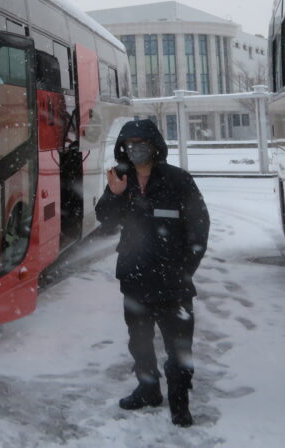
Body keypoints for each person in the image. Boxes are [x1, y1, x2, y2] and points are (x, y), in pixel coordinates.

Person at [95, 118, 210, 427]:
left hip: (173, 284)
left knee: (178, 346)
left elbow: (199, 229)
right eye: (130, 144)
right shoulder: (121, 179)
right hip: (134, 280)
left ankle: (180, 402)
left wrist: (185, 270)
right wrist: (115, 193)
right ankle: (148, 391)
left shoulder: (178, 180)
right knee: (140, 341)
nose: (136, 149)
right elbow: (104, 221)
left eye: (141, 143)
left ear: (156, 146)